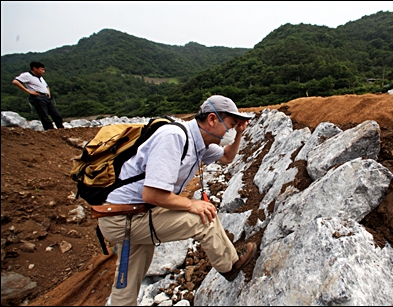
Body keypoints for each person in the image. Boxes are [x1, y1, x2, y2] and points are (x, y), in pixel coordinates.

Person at [98, 95, 257, 305]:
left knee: (128, 278)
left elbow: (227, 157)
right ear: (212, 119)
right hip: (124, 217)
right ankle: (230, 265)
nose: (232, 129)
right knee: (204, 219)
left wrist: (238, 134)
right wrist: (191, 203)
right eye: (231, 124)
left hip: (134, 213)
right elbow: (152, 194)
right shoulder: (174, 137)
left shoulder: (200, 143)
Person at [12, 61, 64, 130]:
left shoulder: (40, 77)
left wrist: (48, 93)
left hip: (46, 97)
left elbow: (46, 86)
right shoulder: (27, 75)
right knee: (44, 115)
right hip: (38, 97)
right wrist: (28, 91)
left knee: (57, 115)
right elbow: (15, 81)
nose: (43, 71)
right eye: (41, 69)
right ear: (35, 68)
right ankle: (50, 130)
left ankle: (61, 129)